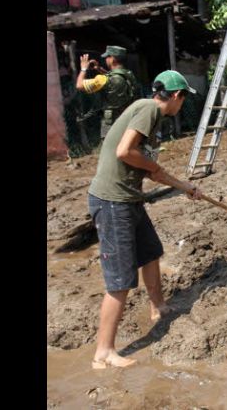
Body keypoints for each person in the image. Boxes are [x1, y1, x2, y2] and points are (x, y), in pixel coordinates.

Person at [87, 70, 202, 369]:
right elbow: (125, 152)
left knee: (150, 251)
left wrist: (184, 186)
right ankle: (104, 352)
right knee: (120, 280)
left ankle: (158, 306)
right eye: (184, 98)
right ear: (176, 96)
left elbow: (150, 169)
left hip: (129, 198)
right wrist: (165, 173)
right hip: (113, 201)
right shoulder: (150, 109)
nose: (182, 104)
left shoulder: (148, 112)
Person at [76, 45, 139, 139]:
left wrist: (83, 69)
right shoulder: (128, 74)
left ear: (112, 59)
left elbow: (79, 85)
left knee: (109, 149)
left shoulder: (103, 80)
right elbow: (114, 78)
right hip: (128, 118)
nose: (105, 60)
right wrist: (99, 69)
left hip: (111, 122)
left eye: (107, 57)